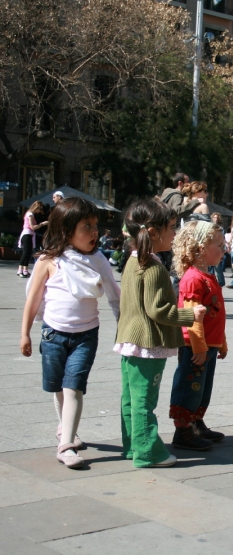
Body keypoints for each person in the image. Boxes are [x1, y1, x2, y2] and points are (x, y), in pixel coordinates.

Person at [20, 197, 121, 469]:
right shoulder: (50, 261)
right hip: (53, 334)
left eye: (95, 226)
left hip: (86, 335)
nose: (94, 232)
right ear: (66, 231)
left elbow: (114, 295)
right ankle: (67, 430)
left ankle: (65, 445)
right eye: (86, 226)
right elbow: (33, 298)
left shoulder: (98, 260)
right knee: (58, 387)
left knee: (73, 386)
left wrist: (123, 326)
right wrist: (25, 333)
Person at [114, 200, 206, 468]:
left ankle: (132, 445)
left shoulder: (133, 261)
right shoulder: (152, 267)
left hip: (129, 340)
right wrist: (190, 315)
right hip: (148, 343)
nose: (174, 234)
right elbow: (158, 310)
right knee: (145, 400)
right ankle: (149, 453)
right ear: (153, 232)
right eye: (171, 228)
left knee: (130, 399)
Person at [169, 220, 228, 450]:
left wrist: (220, 342)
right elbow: (191, 317)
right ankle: (183, 431)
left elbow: (215, 314)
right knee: (190, 388)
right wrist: (200, 347)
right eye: (220, 246)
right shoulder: (193, 278)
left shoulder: (208, 276)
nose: (224, 250)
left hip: (208, 346)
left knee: (202, 388)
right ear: (202, 248)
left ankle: (196, 423)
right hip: (196, 348)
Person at [18, 201, 48, 277]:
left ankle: (25, 270)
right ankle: (20, 270)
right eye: (39, 209)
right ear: (36, 208)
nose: (39, 211)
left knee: (28, 253)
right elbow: (33, 227)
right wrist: (42, 224)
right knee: (25, 253)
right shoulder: (30, 215)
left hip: (29, 234)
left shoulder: (30, 214)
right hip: (27, 234)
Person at [207, 212, 226, 286]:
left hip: (218, 248)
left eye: (217, 217)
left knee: (218, 267)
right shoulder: (209, 227)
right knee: (210, 266)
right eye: (214, 217)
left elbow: (222, 239)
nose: (216, 219)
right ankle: (212, 281)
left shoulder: (220, 228)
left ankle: (221, 282)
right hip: (211, 248)